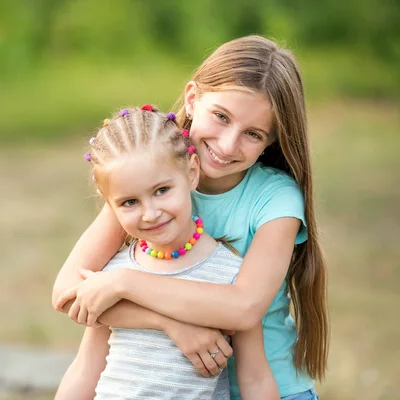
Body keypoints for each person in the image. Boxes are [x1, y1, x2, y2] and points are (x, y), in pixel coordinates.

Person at [54, 35, 329, 400]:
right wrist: (171, 324)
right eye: (221, 117)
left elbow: (243, 308)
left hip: (270, 386)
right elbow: (68, 294)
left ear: (272, 141)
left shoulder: (275, 198)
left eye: (253, 133)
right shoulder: (152, 179)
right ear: (192, 99)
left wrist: (123, 284)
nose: (228, 145)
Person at [55, 106, 278, 400]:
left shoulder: (229, 277)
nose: (150, 213)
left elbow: (255, 380)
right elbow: (85, 370)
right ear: (110, 204)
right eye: (129, 202)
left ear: (192, 173)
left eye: (161, 190)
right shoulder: (109, 276)